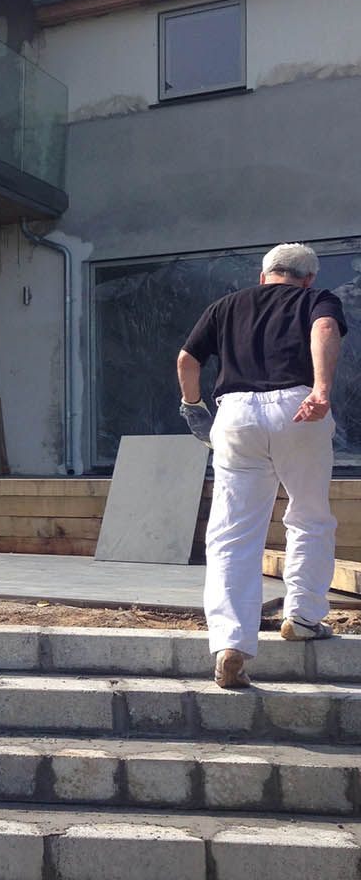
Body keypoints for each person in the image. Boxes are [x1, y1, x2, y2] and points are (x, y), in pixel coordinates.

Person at [177, 243, 347, 688]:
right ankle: (304, 617)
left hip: (235, 413)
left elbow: (187, 360)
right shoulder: (317, 300)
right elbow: (325, 327)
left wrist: (193, 406)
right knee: (309, 517)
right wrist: (322, 389)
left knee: (232, 532)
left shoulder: (226, 306)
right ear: (307, 278)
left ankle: (230, 643)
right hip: (298, 406)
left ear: (263, 275)